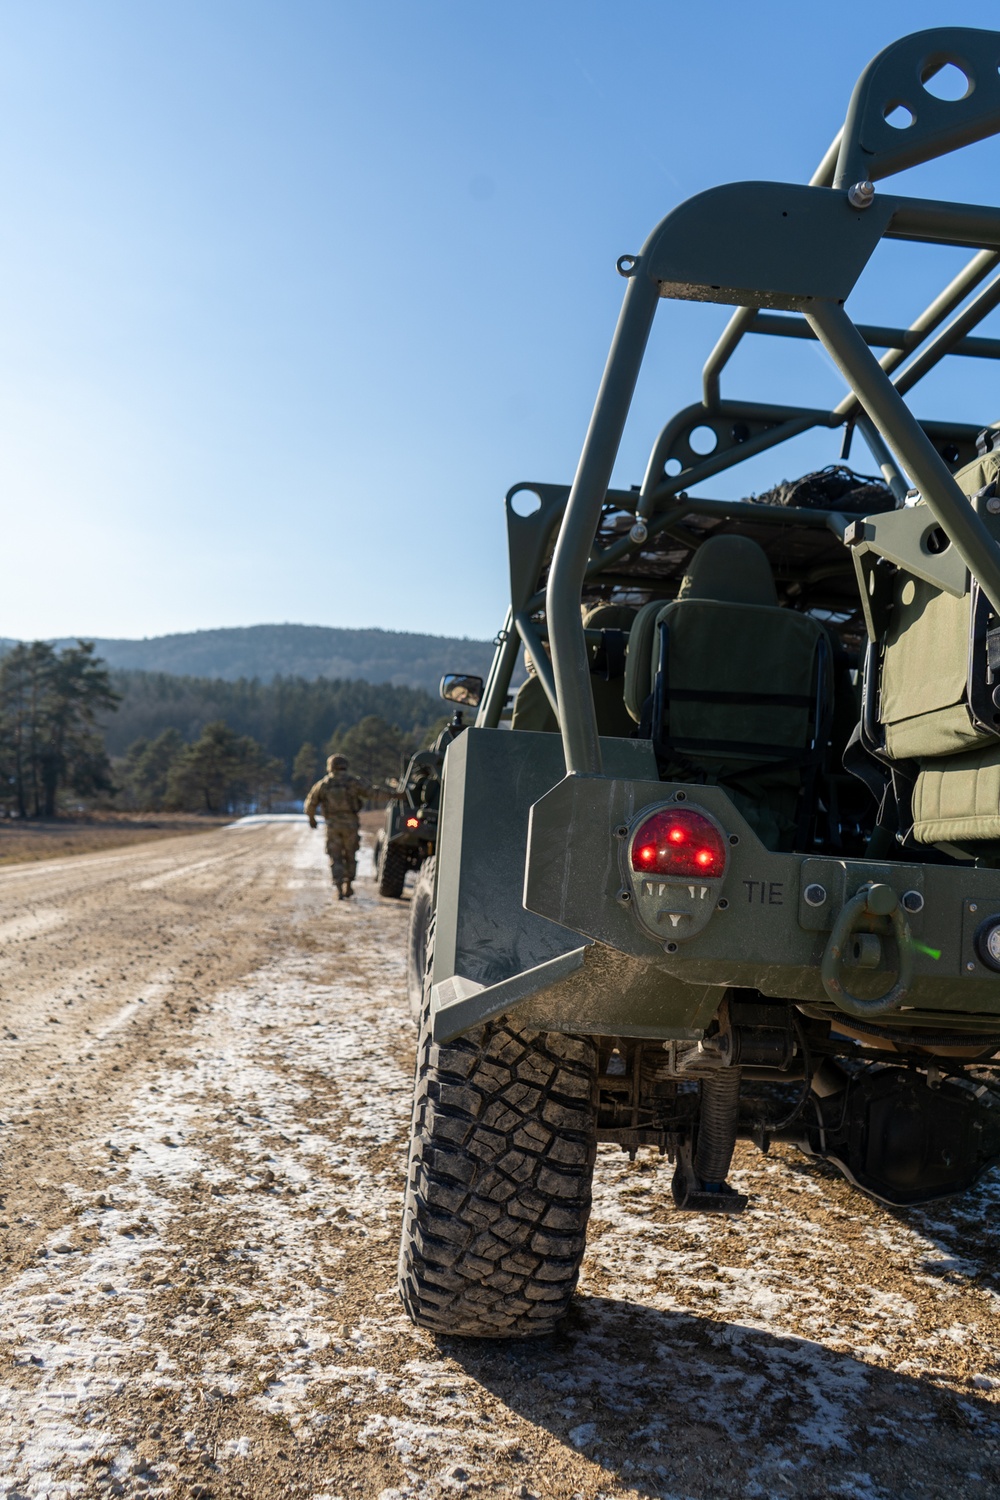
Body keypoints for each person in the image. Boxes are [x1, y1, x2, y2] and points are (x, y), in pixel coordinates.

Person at [304, 753, 377, 900]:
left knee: (335, 856)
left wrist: (312, 819)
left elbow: (310, 804)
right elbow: (373, 793)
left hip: (332, 826)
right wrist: (398, 795)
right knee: (350, 855)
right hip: (351, 826)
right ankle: (348, 884)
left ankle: (338, 887)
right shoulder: (353, 782)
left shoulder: (324, 784)